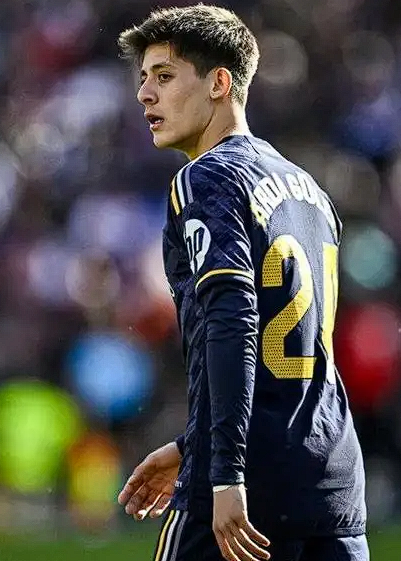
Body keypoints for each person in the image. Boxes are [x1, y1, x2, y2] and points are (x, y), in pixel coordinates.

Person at [117, 5, 369, 561]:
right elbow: (294, 353)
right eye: (144, 78)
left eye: (164, 75)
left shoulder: (206, 177)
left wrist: (223, 471)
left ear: (219, 83)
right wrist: (191, 444)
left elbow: (234, 323)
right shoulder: (309, 189)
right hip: (332, 486)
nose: (144, 94)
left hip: (246, 489)